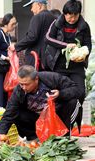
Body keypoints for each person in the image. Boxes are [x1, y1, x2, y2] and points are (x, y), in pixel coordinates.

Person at [0, 65, 82, 141]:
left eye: (26, 84)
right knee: (17, 113)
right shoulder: (19, 91)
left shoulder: (51, 78)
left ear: (36, 79)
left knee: (72, 102)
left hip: (57, 113)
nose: (23, 87)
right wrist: (1, 133)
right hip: (37, 117)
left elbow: (77, 90)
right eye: (21, 84)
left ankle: (64, 136)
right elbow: (10, 112)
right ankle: (34, 137)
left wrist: (60, 94)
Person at [44, 0, 92, 129]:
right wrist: (65, 45)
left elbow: (88, 45)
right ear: (64, 14)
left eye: (75, 15)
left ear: (79, 14)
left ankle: (73, 118)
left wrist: (83, 55)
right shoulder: (57, 23)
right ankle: (61, 125)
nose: (72, 19)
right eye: (69, 15)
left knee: (80, 93)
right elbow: (47, 38)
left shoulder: (84, 26)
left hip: (76, 67)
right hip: (59, 66)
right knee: (59, 94)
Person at [10, 0, 55, 68]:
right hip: (49, 59)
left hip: (36, 59)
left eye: (32, 6)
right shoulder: (53, 17)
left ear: (39, 5)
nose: (31, 10)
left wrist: (16, 46)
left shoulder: (37, 17)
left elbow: (32, 37)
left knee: (33, 78)